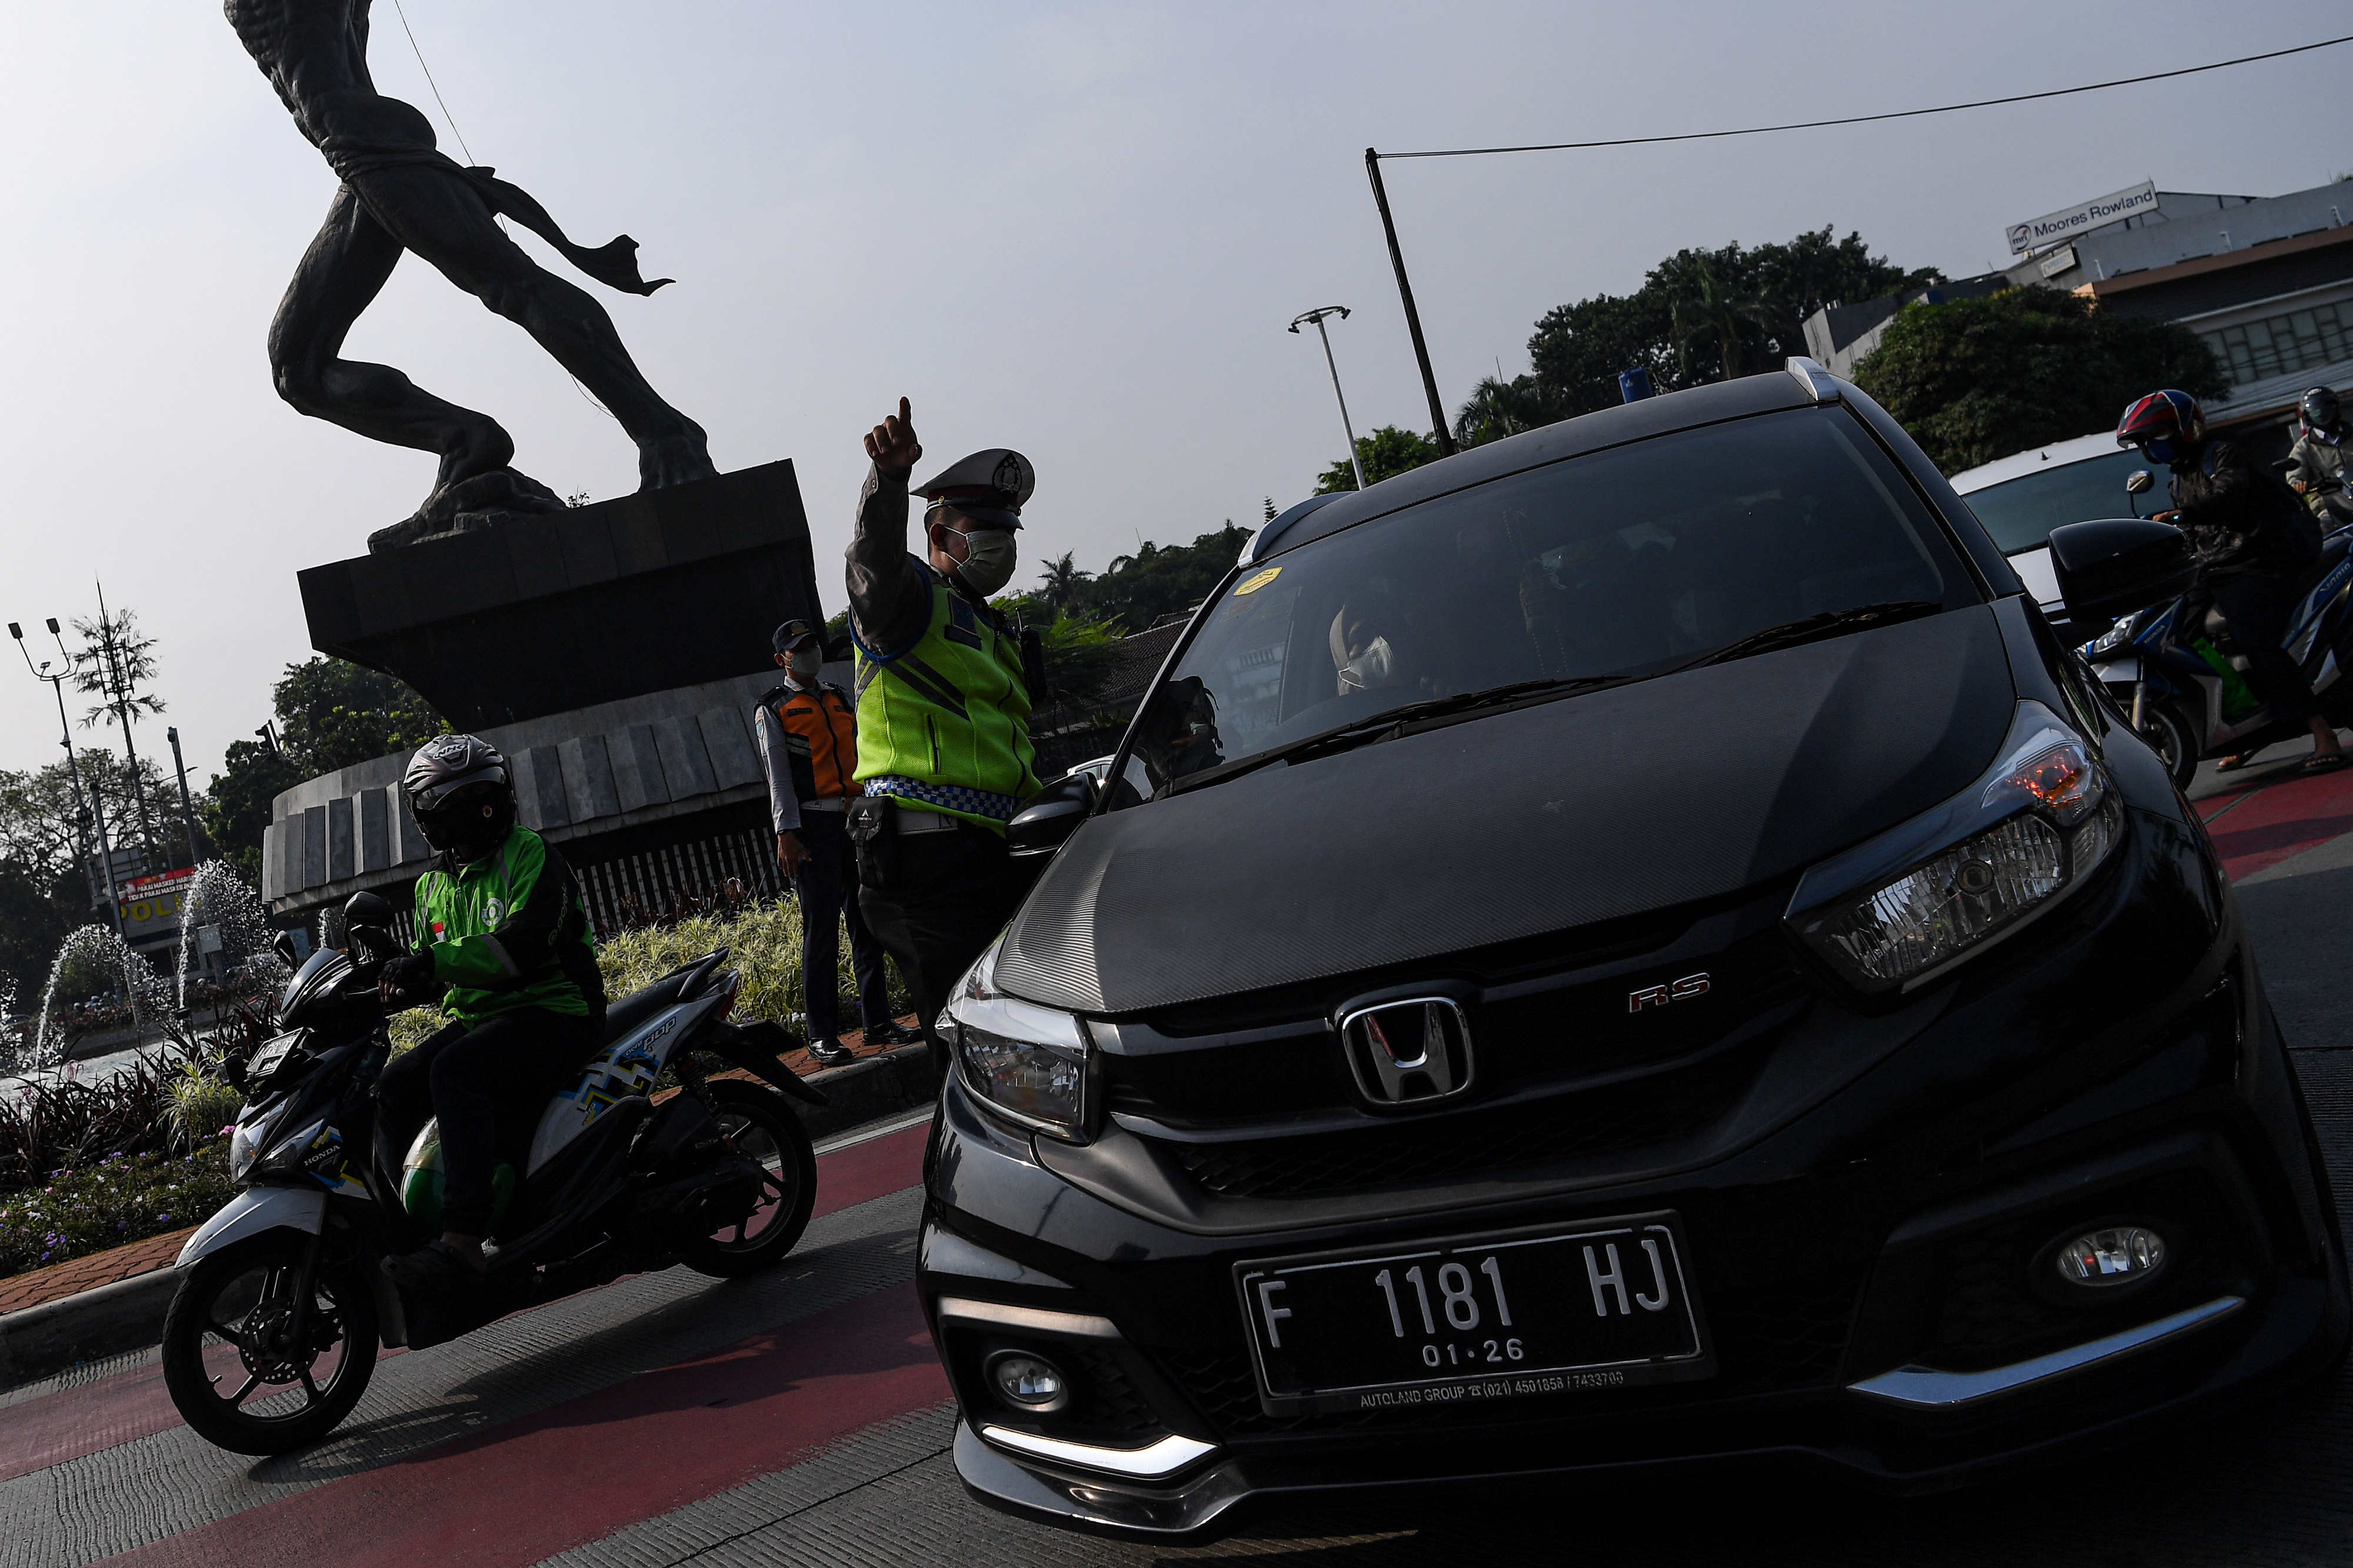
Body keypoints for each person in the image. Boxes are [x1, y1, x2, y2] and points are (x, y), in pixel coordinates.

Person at [844, 399, 1044, 1074]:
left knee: (1034, 1043)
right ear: (938, 531)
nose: (999, 541)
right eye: (980, 527)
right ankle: (961, 1179)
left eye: (1006, 528)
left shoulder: (990, 624)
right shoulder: (904, 603)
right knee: (977, 1059)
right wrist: (888, 482)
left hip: (994, 853)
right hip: (924, 860)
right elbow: (871, 562)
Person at [374, 734, 608, 1290]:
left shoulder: (531, 855)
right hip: (490, 1020)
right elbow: (447, 971)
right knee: (393, 1086)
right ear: (431, 814)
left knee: (454, 1071)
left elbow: (525, 944)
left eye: (487, 790)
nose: (482, 805)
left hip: (557, 1010)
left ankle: (463, 1237)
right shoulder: (433, 886)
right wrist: (390, 979)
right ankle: (409, 1235)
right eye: (461, 797)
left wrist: (431, 962)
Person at [2118, 389, 2346, 776]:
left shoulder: (2222, 456)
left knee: (2254, 638)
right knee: (2177, 634)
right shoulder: (2178, 480)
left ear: (2185, 430)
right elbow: (2194, 535)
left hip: (2259, 562)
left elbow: (2231, 498)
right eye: (2143, 442)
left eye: (2155, 437)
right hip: (2214, 570)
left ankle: (2322, 732)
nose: (2150, 447)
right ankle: (2243, 722)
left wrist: (2179, 515)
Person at [751, 619, 920, 1066]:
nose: (809, 652)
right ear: (780, 659)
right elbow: (779, 778)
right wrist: (786, 832)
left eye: (812, 645)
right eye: (799, 648)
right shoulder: (773, 708)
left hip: (857, 818)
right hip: (812, 827)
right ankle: (822, 1034)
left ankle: (878, 1021)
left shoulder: (838, 697)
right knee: (821, 931)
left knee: (867, 920)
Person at [2288, 387, 2353, 529]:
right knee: (2319, 530)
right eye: (2317, 411)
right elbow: (2295, 473)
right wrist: (2298, 484)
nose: (2323, 414)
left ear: (2337, 409)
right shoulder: (2303, 447)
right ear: (2308, 415)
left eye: (2327, 408)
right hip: (2329, 505)